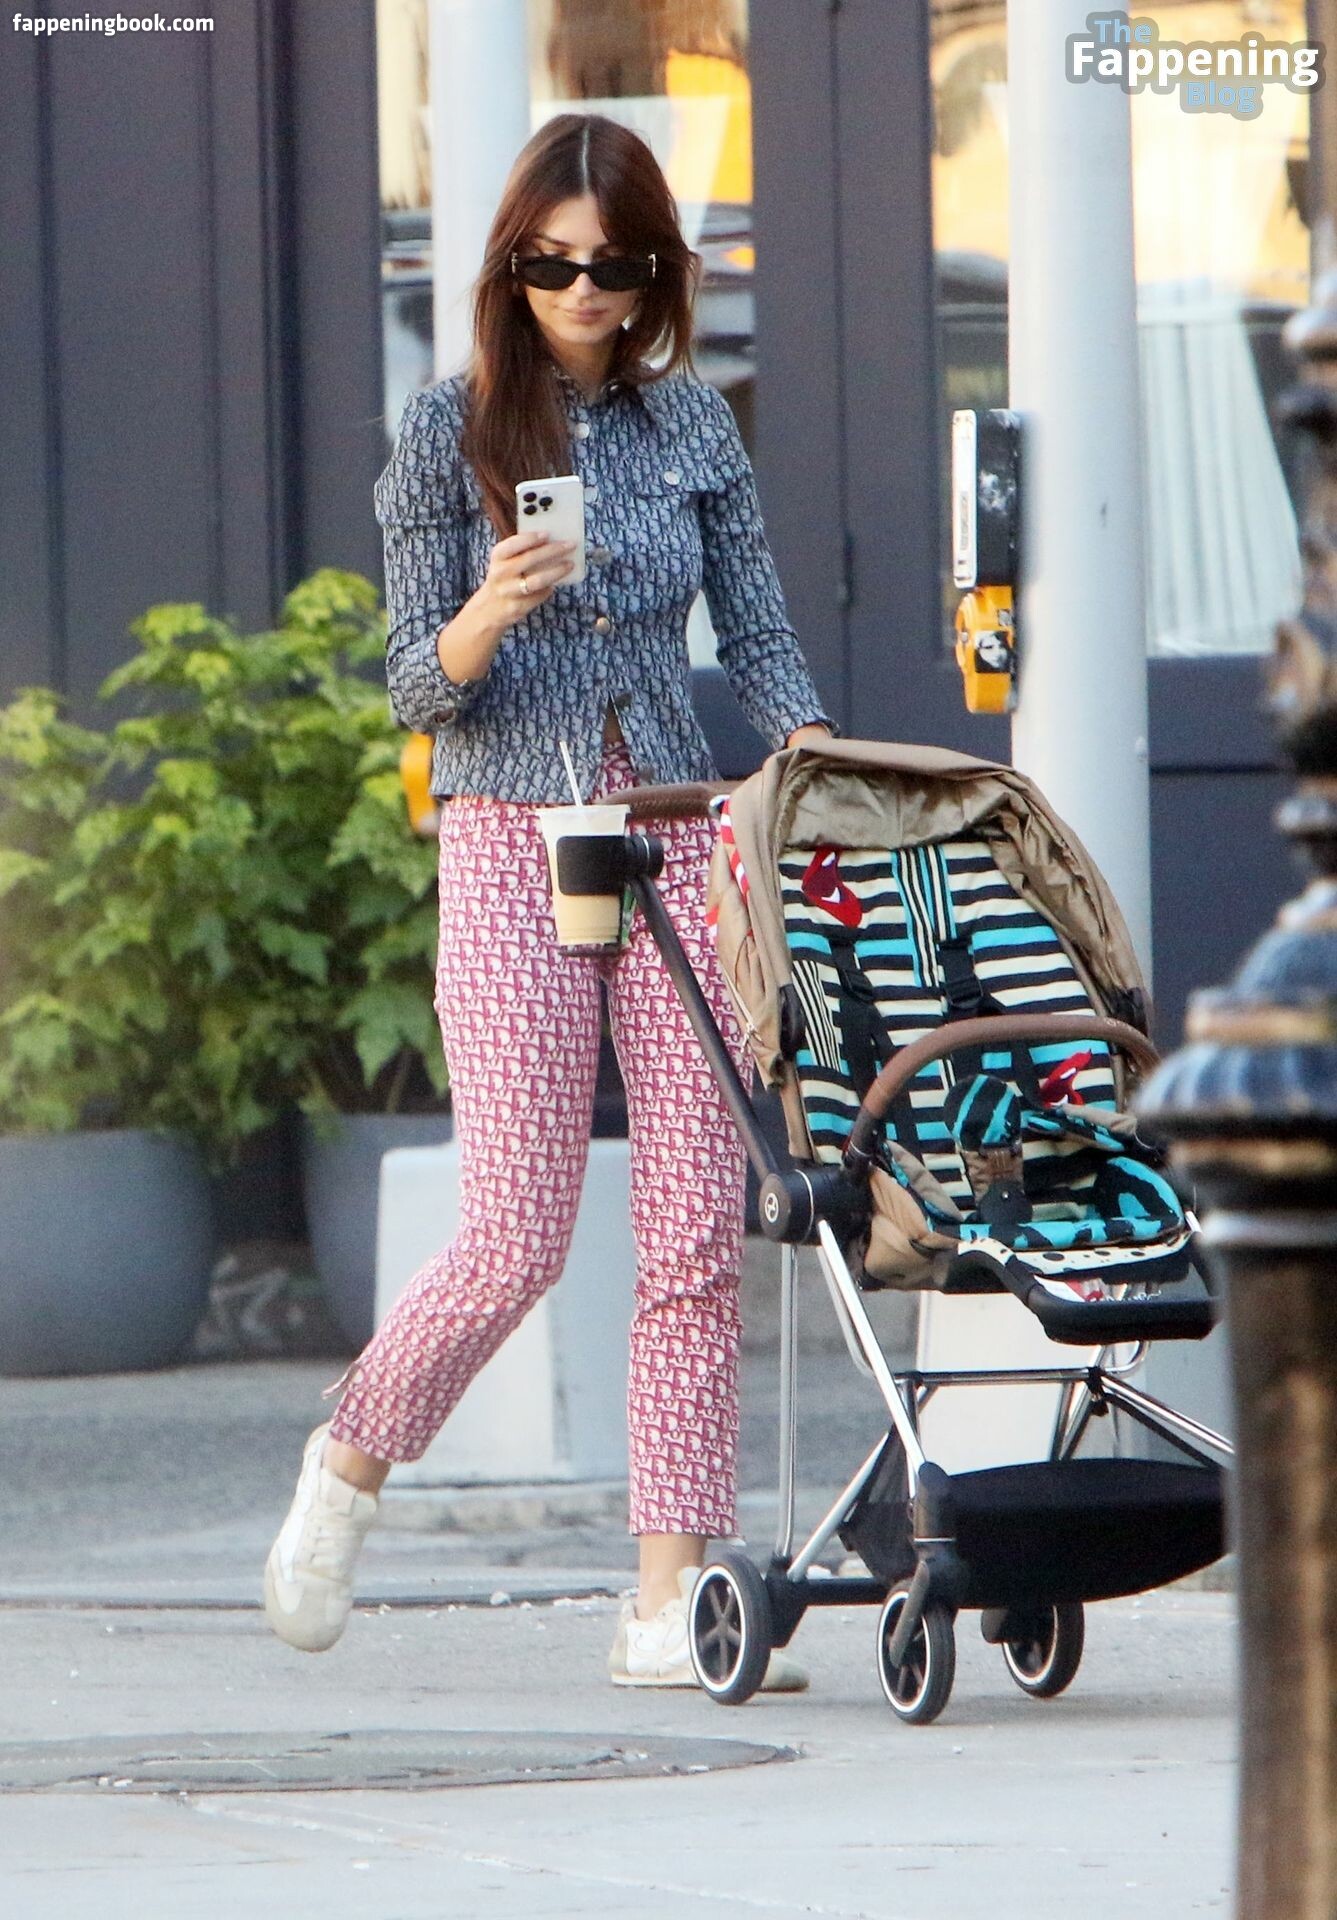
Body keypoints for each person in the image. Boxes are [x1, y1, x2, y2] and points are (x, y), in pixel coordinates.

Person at [264, 112, 833, 1688]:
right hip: (513, 838)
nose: (585, 291)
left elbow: (759, 635)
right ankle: (350, 1461)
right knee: (515, 1226)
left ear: (658, 275)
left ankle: (664, 1603)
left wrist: (811, 759)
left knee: (692, 1231)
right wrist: (486, 608)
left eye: (617, 265)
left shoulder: (691, 425)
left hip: (672, 831)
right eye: (554, 263)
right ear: (511, 266)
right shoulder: (442, 428)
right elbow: (411, 688)